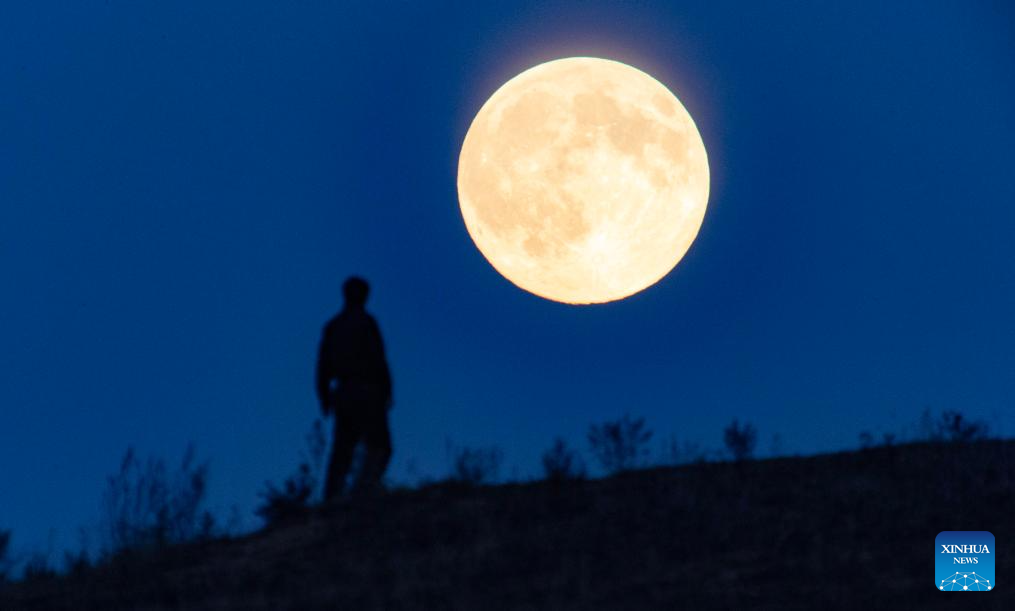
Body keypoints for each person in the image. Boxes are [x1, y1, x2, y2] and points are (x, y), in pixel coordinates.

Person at [315, 276, 393, 500]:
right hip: (366, 393)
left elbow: (322, 368)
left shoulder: (334, 327)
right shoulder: (365, 324)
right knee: (379, 446)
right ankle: (362, 491)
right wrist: (386, 391)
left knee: (343, 449)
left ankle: (338, 497)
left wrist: (325, 397)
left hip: (345, 394)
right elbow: (379, 360)